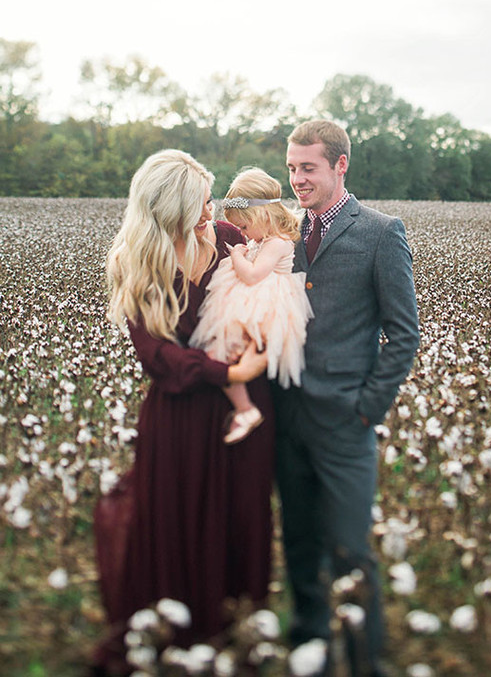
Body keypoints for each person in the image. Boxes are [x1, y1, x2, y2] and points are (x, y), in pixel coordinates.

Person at [91, 150, 273, 675]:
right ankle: (178, 633)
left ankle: (230, 630)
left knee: (236, 518)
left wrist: (259, 345)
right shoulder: (136, 260)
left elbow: (266, 298)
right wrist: (230, 374)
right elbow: (157, 357)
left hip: (240, 419)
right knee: (175, 519)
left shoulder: (231, 241)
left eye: (210, 199)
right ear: (167, 207)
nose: (211, 211)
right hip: (179, 418)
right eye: (199, 202)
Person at [273, 120, 420, 677]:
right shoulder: (282, 232)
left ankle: (364, 661)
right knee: (300, 546)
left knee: (351, 551)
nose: (297, 179)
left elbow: (404, 332)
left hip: (344, 422)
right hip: (288, 416)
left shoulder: (381, 232)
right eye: (291, 168)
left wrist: (367, 407)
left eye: (307, 168)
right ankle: (307, 651)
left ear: (340, 165)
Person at [190, 167, 313, 444]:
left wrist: (236, 256)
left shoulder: (278, 243)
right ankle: (244, 407)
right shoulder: (263, 240)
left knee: (225, 353)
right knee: (220, 354)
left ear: (262, 215)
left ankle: (245, 409)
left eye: (244, 227)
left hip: (267, 304)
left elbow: (253, 275)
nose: (242, 234)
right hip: (255, 301)